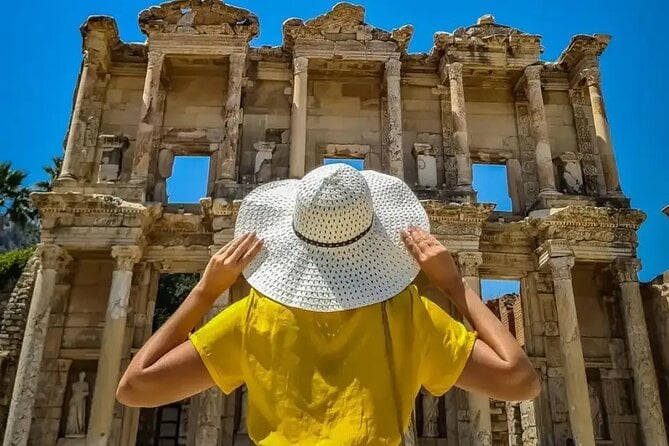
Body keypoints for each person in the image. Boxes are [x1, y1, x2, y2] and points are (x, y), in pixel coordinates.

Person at [117, 164, 540, 445]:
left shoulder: (254, 317)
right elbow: (520, 382)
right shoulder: (409, 313)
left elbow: (136, 388)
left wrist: (204, 293)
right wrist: (455, 286)